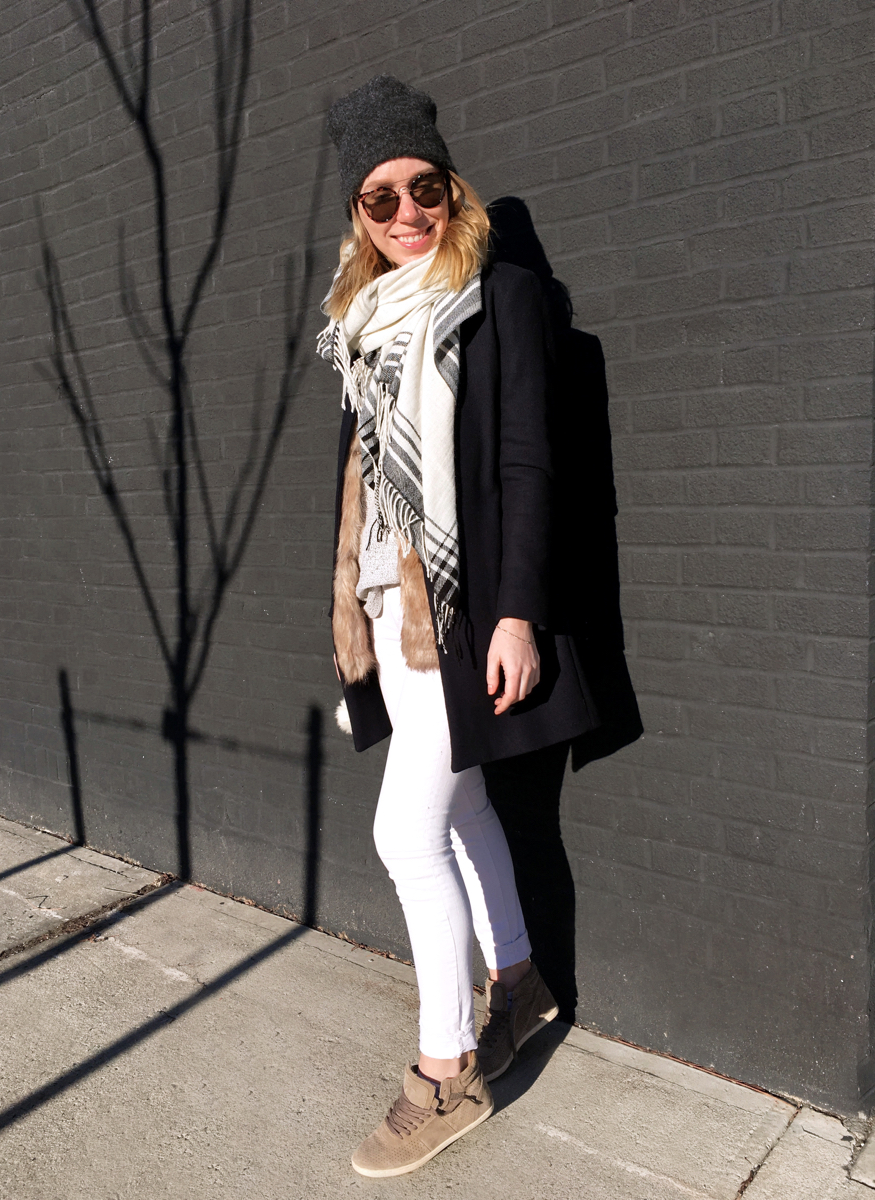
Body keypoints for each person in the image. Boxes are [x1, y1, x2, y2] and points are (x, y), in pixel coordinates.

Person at [317, 75, 641, 1179]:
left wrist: (516, 613)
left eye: (424, 187)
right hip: (391, 619)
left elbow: (528, 464)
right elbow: (365, 484)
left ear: (451, 188)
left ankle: (448, 1066)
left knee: (405, 834)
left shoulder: (498, 296)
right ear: (356, 216)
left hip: (463, 619)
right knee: (458, 821)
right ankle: (523, 979)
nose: (406, 212)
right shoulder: (359, 325)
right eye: (379, 197)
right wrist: (348, 605)